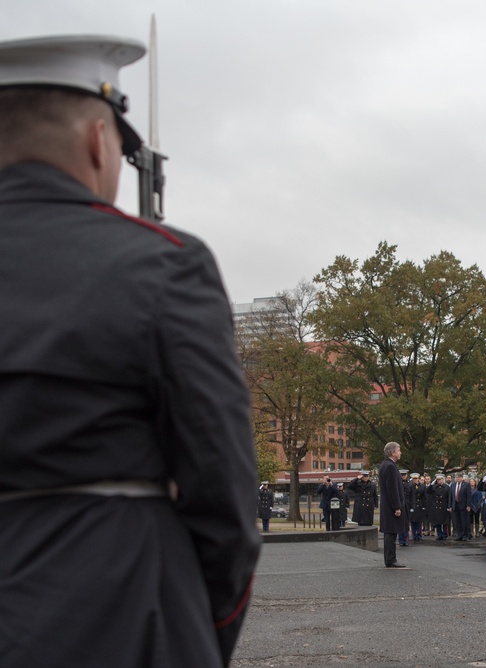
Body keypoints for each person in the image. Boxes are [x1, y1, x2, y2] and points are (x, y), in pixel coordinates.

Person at [0, 35, 261, 668]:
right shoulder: (164, 263)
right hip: (122, 611)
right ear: (97, 139)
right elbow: (223, 491)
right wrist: (198, 630)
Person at [378, 442, 406, 568]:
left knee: (390, 533)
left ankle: (390, 558)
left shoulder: (386, 465)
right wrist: (397, 507)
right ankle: (391, 559)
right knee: (391, 532)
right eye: (399, 450)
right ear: (393, 452)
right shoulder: (389, 466)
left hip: (388, 506)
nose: (400, 453)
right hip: (391, 507)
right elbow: (392, 489)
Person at [426, 473, 451, 539]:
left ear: (443, 480)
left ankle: (445, 534)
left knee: (445, 522)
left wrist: (449, 506)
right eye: (437, 480)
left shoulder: (447, 487)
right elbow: (428, 491)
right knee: (437, 522)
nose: (438, 481)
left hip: (444, 506)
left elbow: (449, 497)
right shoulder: (434, 487)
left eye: (440, 480)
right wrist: (431, 484)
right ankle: (439, 534)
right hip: (436, 506)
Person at [450, 472, 472, 540]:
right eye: (457, 477)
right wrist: (450, 506)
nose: (458, 478)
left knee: (464, 521)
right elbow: (451, 496)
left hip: (463, 505)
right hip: (455, 505)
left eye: (459, 477)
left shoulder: (466, 485)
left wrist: (468, 505)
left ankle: (465, 535)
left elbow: (469, 496)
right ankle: (459, 535)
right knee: (457, 521)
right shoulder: (453, 485)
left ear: (462, 478)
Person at [408, 472, 425, 541]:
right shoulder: (410, 486)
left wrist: (424, 505)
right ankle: (414, 534)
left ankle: (419, 534)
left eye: (416, 479)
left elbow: (424, 496)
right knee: (413, 521)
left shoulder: (422, 486)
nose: (415, 480)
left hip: (420, 505)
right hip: (413, 505)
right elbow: (410, 496)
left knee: (419, 521)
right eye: (414, 479)